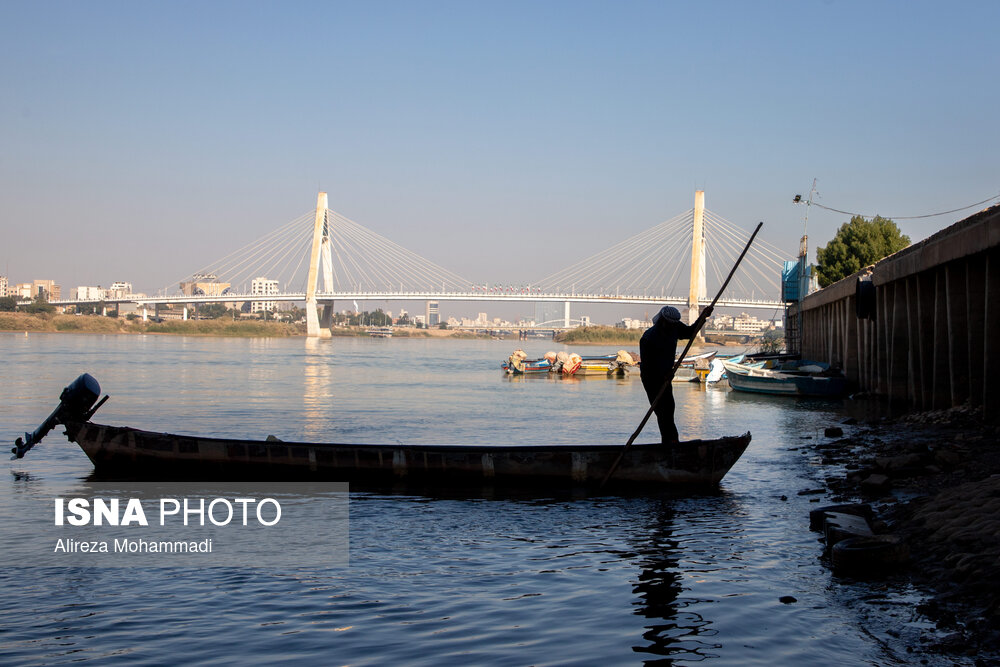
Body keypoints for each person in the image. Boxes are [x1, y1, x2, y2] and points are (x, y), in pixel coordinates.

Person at [639, 305, 713, 443]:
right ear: (663, 321)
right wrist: (663, 375)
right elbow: (648, 365)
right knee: (662, 412)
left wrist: (703, 317)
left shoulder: (674, 327)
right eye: (670, 324)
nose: (673, 326)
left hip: (666, 377)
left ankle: (671, 442)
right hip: (652, 379)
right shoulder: (649, 337)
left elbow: (690, 332)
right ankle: (669, 443)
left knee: (669, 410)